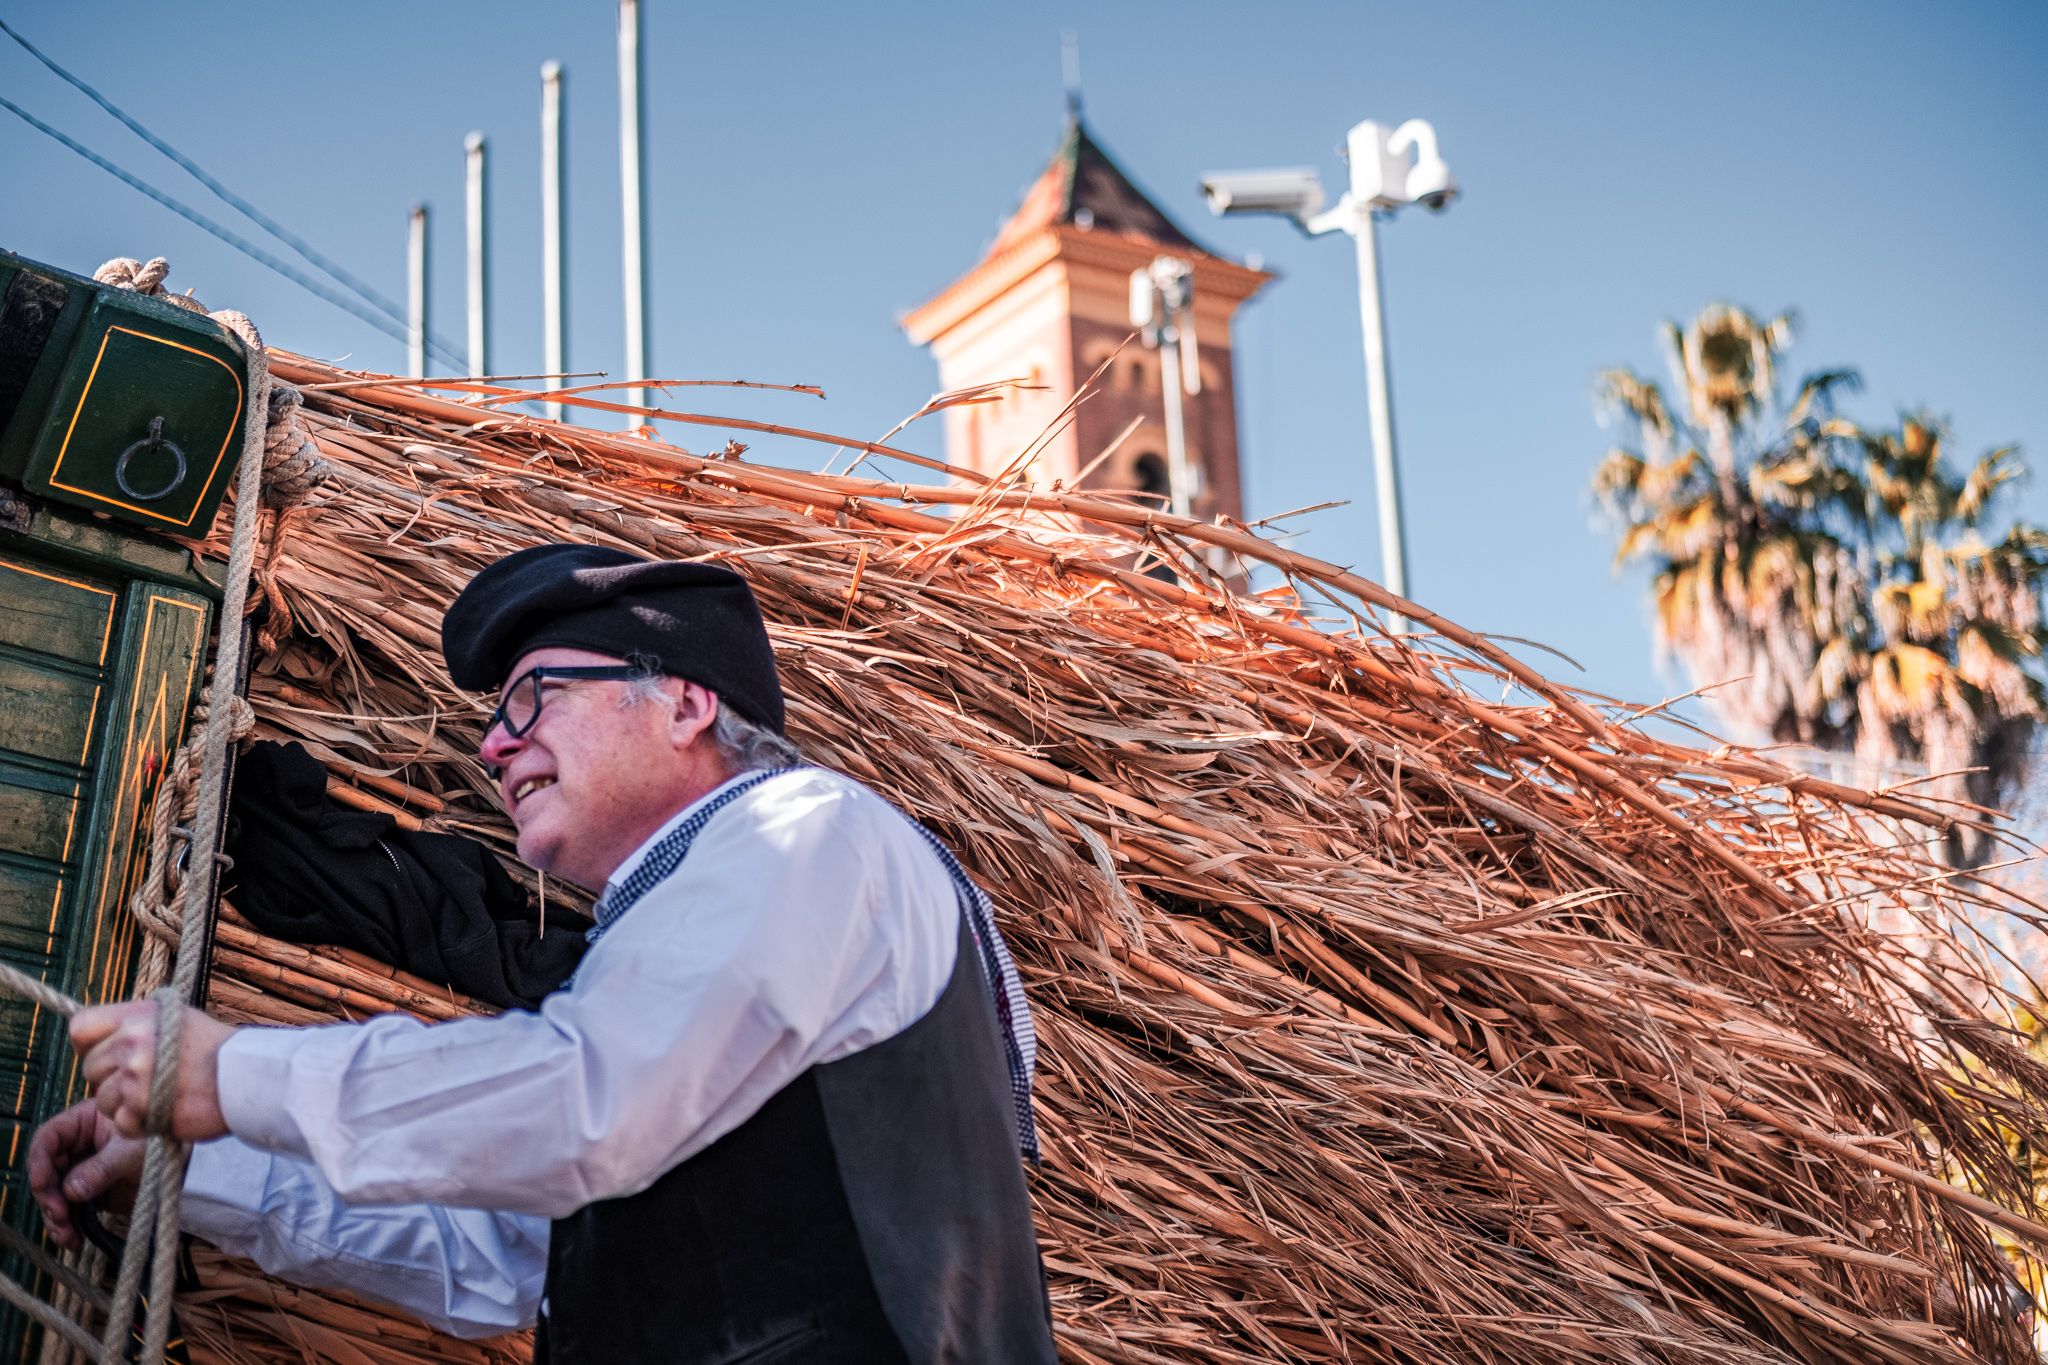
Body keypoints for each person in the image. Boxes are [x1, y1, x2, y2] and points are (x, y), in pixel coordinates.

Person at [30, 543, 1057, 1364]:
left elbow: (584, 1100)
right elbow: (501, 1260)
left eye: (532, 697)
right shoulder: (675, 941)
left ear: (684, 702)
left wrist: (231, 1073)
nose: (492, 747)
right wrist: (188, 1174)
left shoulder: (804, 832)